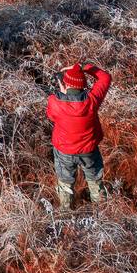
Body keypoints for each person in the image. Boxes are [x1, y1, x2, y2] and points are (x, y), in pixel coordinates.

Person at [46, 62, 111, 208]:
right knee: (95, 181)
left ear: (65, 84)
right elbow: (105, 78)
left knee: (65, 183)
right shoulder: (92, 101)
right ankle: (102, 212)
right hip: (89, 150)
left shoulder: (54, 101)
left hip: (64, 151)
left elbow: (51, 115)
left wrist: (62, 95)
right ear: (83, 85)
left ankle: (66, 214)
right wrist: (84, 67)